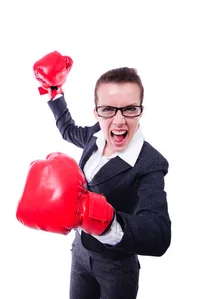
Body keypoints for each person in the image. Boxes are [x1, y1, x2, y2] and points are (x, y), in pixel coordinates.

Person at [16, 51, 171, 299]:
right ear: (96, 112)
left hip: (116, 267)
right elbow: (68, 130)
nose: (119, 121)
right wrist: (55, 91)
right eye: (108, 109)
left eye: (130, 109)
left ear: (140, 111)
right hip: (79, 253)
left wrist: (101, 218)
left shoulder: (150, 163)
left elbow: (159, 234)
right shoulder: (94, 135)